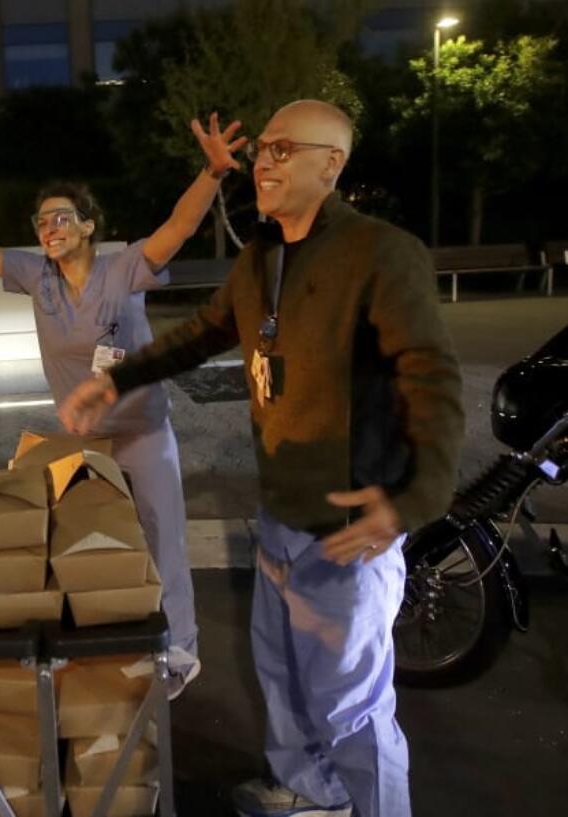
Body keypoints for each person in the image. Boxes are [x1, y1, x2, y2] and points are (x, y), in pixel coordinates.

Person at [58, 100, 464, 817]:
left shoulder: (382, 252)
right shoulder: (262, 255)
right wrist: (116, 378)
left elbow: (430, 379)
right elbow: (202, 334)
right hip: (279, 514)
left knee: (353, 707)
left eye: (283, 148)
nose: (264, 161)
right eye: (264, 149)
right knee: (280, 675)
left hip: (349, 527)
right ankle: (310, 793)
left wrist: (412, 498)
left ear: (331, 165)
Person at [0, 115, 247, 697]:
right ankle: (107, 638)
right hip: (84, 441)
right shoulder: (35, 277)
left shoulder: (122, 269)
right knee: (87, 543)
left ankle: (181, 651)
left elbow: (179, 227)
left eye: (63, 217)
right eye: (42, 220)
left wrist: (213, 172)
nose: (50, 227)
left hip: (141, 432)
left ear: (88, 226)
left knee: (161, 539)